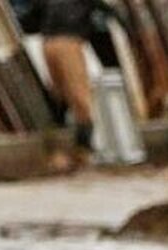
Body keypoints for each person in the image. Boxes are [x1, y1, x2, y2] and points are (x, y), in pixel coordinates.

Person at [37, 0, 119, 169]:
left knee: (59, 97)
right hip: (68, 41)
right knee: (80, 98)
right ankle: (83, 151)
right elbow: (108, 11)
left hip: (47, 42)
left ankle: (56, 153)